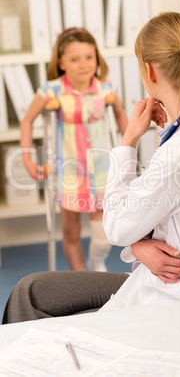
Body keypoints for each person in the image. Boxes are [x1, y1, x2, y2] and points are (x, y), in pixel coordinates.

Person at [3, 12, 180, 350]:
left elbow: (117, 228)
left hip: (171, 294)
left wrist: (127, 142)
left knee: (28, 299)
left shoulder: (178, 154)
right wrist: (139, 247)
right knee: (32, 291)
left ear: (148, 70)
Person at [20, 27, 128, 272]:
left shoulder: (106, 89)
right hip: (69, 171)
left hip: (102, 170)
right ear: (61, 63)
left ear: (97, 59)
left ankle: (95, 261)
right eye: (74, 59)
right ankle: (82, 279)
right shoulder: (51, 90)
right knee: (71, 229)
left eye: (89, 57)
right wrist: (27, 159)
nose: (83, 64)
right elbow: (27, 120)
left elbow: (121, 117)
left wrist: (129, 149)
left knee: (103, 231)